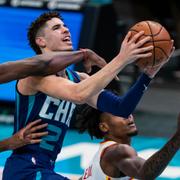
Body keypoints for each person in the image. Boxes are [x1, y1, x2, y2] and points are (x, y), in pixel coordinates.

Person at [2, 11, 170, 180]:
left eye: (65, 26)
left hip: (44, 169)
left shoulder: (78, 78)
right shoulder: (35, 77)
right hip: (24, 169)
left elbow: (121, 108)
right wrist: (122, 58)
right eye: (56, 27)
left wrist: (147, 75)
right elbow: (78, 94)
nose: (66, 30)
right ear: (41, 41)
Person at [76, 102, 180, 180]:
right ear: (104, 127)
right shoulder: (119, 151)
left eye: (126, 110)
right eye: (119, 113)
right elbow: (145, 173)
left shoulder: (98, 158)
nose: (128, 115)